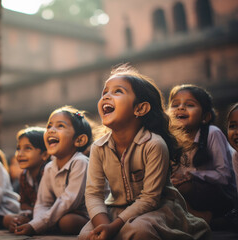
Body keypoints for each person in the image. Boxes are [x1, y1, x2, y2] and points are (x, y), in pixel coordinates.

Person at [79, 65, 210, 240]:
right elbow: (93, 193)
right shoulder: (98, 147)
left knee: (138, 231)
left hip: (157, 208)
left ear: (140, 109)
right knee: (86, 235)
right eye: (104, 93)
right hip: (116, 208)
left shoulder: (154, 144)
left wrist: (114, 226)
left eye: (118, 91)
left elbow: (150, 199)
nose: (107, 96)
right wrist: (104, 225)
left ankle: (193, 226)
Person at [15, 106, 92, 236]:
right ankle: (48, 225)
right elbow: (43, 202)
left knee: (67, 222)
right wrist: (36, 222)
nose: (51, 130)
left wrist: (37, 225)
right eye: (49, 126)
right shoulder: (49, 167)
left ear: (79, 140)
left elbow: (69, 201)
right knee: (16, 220)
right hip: (61, 213)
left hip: (84, 215)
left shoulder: (80, 162)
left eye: (60, 126)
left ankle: (50, 225)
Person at [167, 84, 236, 227]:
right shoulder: (170, 139)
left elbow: (224, 176)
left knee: (183, 187)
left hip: (221, 195)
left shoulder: (212, 133)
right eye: (175, 105)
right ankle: (194, 217)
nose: (180, 108)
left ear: (205, 116)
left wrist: (193, 174)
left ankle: (202, 217)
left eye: (189, 105)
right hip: (186, 194)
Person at [3, 127, 50, 232]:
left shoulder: (48, 173)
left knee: (67, 222)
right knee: (7, 219)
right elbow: (23, 204)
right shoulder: (24, 176)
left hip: (49, 215)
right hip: (33, 213)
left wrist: (32, 211)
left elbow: (52, 207)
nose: (20, 154)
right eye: (18, 148)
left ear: (45, 154)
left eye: (27, 148)